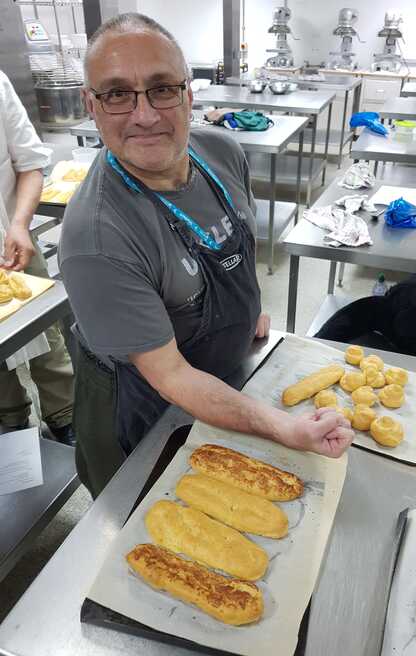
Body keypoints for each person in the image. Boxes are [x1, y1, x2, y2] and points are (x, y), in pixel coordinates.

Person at [59, 13, 354, 497]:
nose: (145, 115)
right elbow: (170, 376)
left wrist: (247, 307)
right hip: (140, 410)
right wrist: (286, 428)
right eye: (116, 94)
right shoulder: (98, 237)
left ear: (189, 94)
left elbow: (233, 241)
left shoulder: (220, 151)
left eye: (162, 88)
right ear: (91, 106)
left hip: (222, 375)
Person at [0, 70, 75, 446]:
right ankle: (11, 420)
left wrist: (19, 223)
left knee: (45, 332)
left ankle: (63, 413)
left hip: (11, 238)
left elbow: (30, 164)